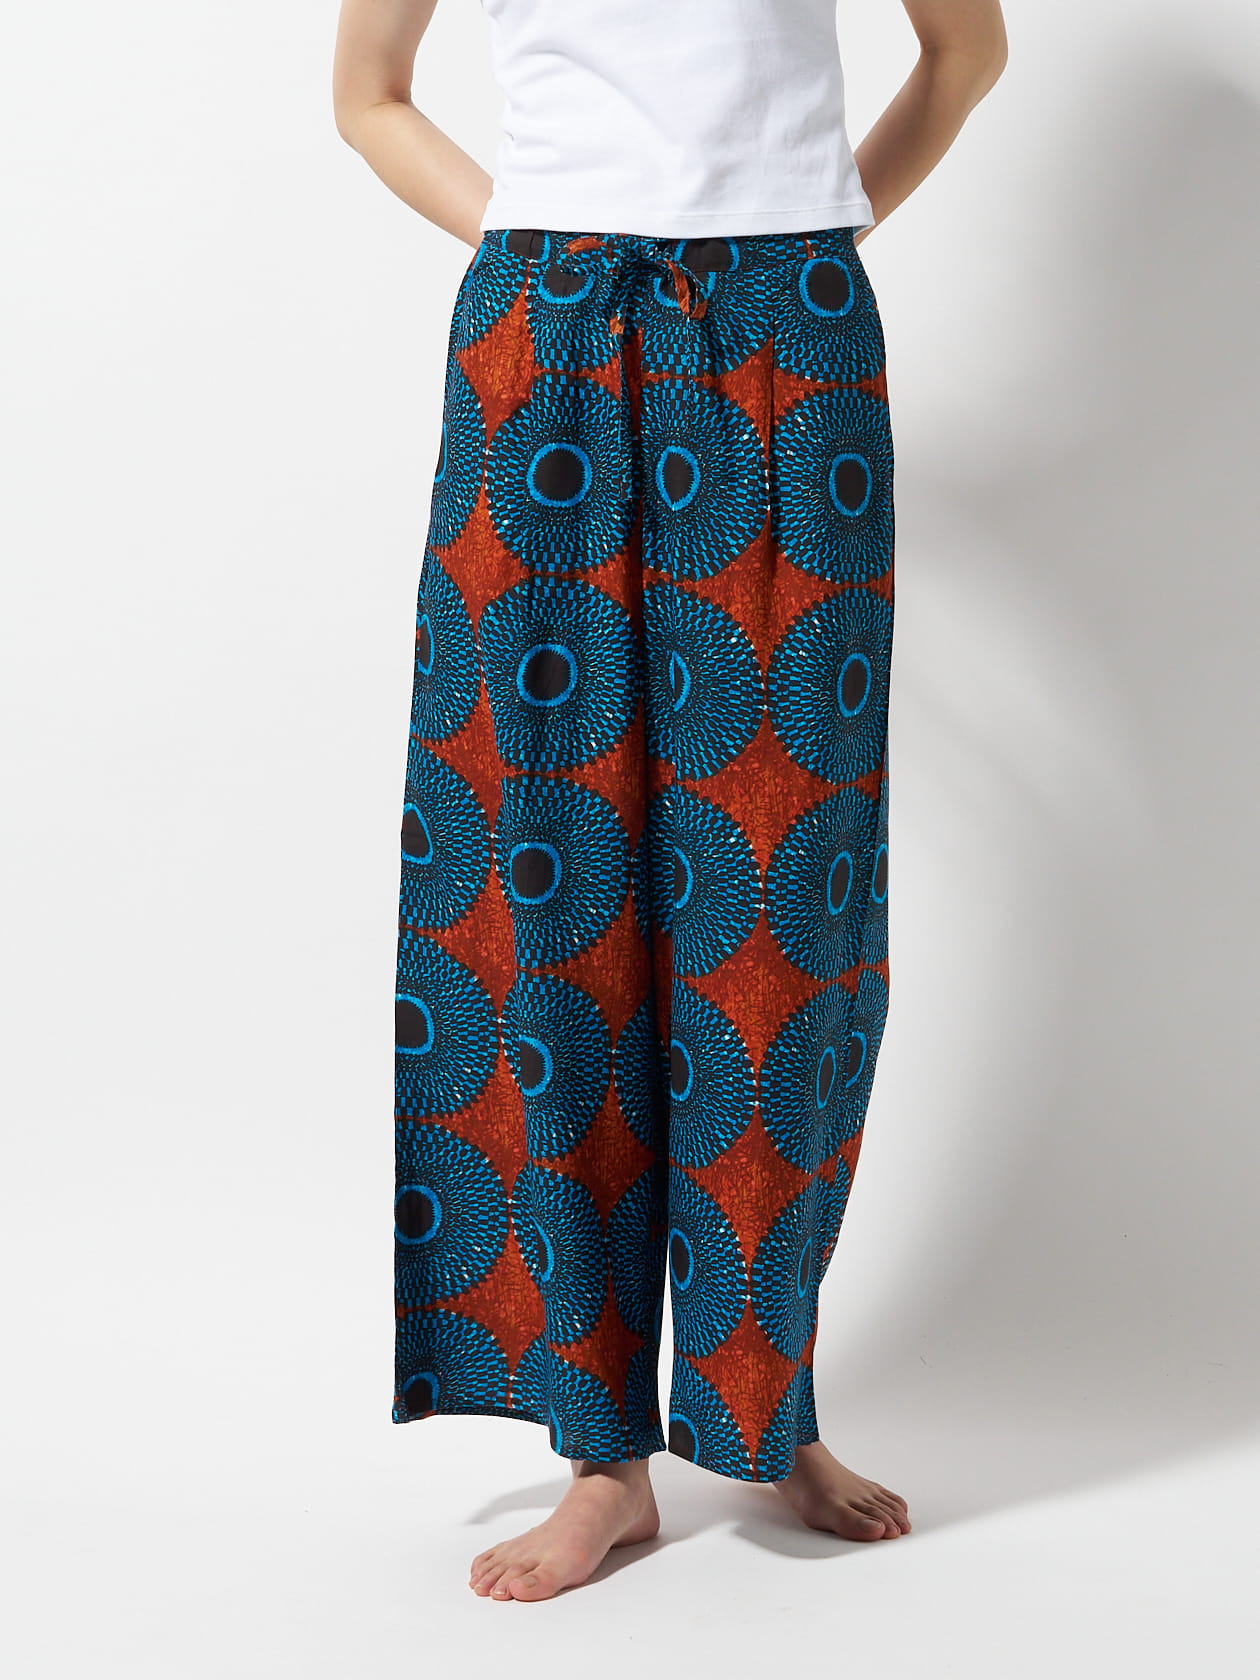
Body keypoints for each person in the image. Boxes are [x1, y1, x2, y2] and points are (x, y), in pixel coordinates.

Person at [333, 0, 1007, 1605]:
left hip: (794, 327)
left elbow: (966, 52)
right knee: (549, 877)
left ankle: (766, 1406)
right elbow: (369, 97)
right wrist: (533, 233)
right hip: (547, 324)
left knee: (783, 909)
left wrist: (806, 231)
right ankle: (602, 1457)